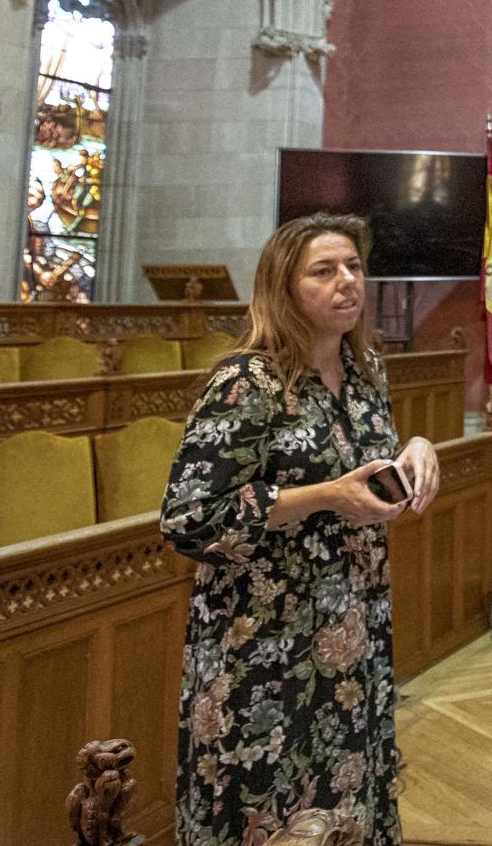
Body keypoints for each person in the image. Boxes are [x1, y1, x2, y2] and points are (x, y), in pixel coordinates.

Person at [161, 213, 443, 846]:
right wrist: (324, 498)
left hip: (352, 629)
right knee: (269, 803)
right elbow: (187, 519)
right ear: (283, 288)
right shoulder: (247, 381)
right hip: (264, 644)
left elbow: (367, 466)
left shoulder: (367, 369)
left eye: (354, 267)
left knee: (351, 795)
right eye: (324, 271)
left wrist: (417, 449)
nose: (348, 281)